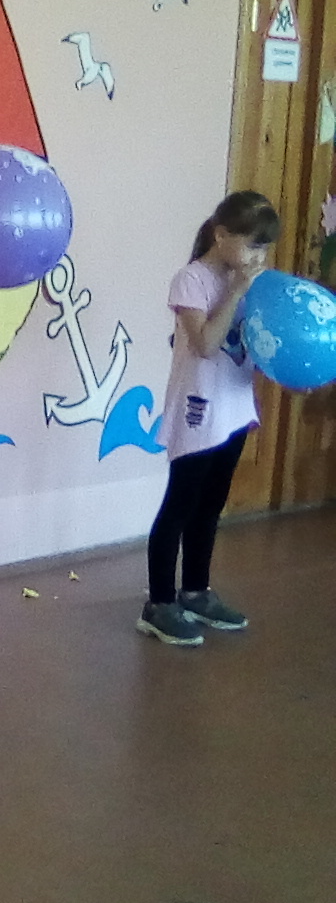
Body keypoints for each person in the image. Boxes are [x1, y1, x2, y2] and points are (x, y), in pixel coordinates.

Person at [137, 190, 279, 646]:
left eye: (264, 248)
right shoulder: (191, 280)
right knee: (180, 505)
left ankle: (196, 591)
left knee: (211, 506)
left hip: (234, 406)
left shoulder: (251, 282)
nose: (258, 257)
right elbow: (205, 345)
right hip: (198, 410)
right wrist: (236, 291)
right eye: (252, 245)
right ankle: (159, 603)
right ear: (221, 235)